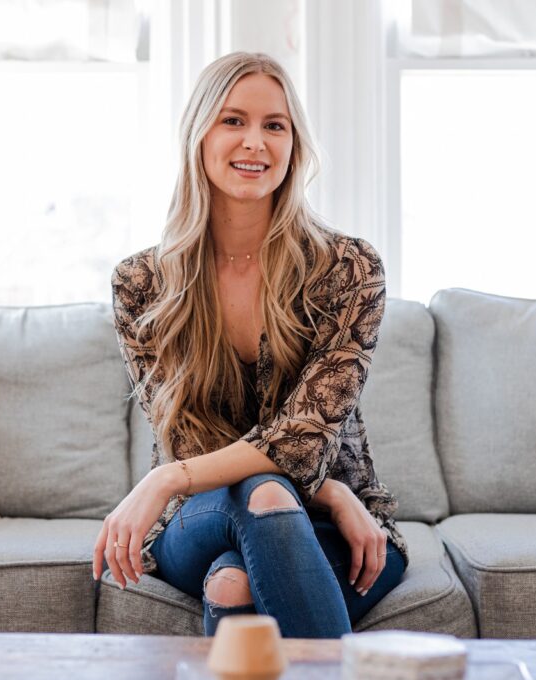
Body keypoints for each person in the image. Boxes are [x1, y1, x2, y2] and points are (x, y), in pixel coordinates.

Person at [96, 51, 408, 639]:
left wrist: (163, 478)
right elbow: (196, 445)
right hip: (202, 517)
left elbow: (304, 436)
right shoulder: (141, 285)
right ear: (199, 134)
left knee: (234, 582)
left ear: (295, 145)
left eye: (275, 125)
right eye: (233, 120)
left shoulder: (349, 269)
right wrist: (330, 490)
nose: (255, 143)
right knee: (261, 491)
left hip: (342, 531)